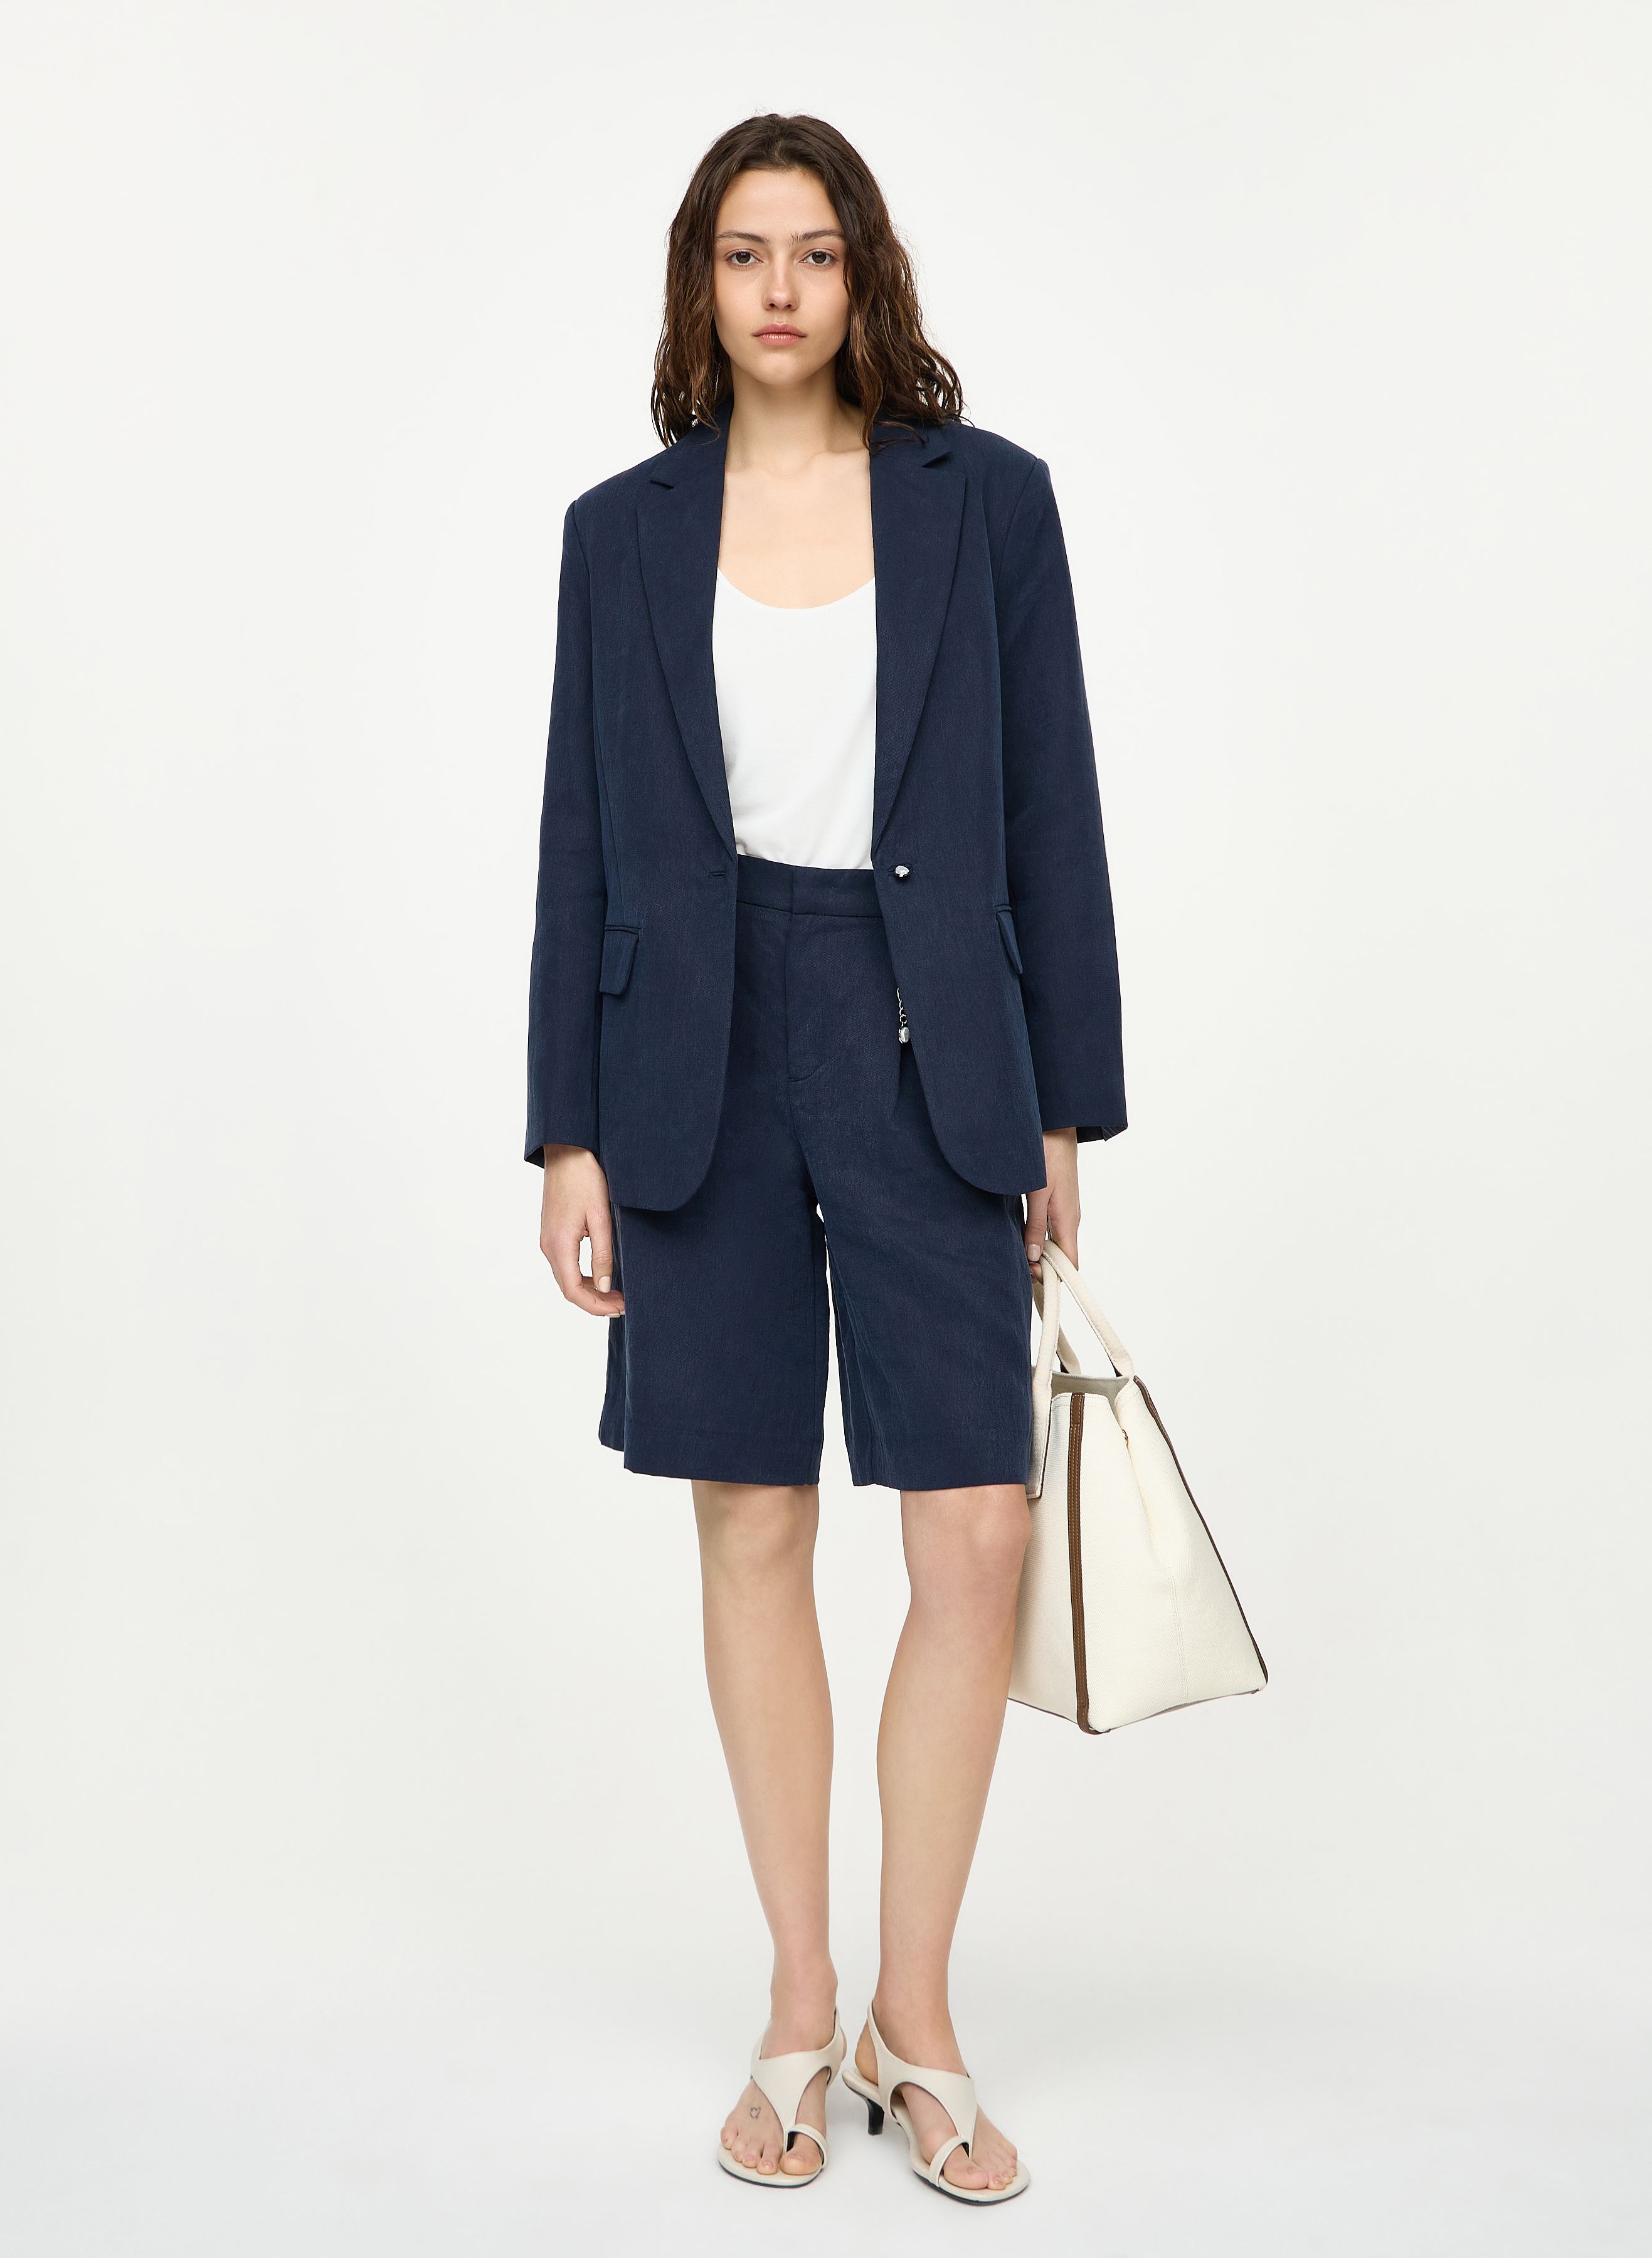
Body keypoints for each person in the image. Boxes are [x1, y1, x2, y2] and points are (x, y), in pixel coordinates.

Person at [526, 112, 1124, 2205]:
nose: (778, 290)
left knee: (972, 1533)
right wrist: (564, 1130)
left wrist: (1061, 1102)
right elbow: (578, 835)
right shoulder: (617, 534)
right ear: (699, 285)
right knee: (753, 1519)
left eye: (813, 252)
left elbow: (1049, 809)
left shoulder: (987, 503)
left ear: (862, 274)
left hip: (925, 1035)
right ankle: (800, 2007)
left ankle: (915, 2020)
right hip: (689, 1056)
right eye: (741, 253)